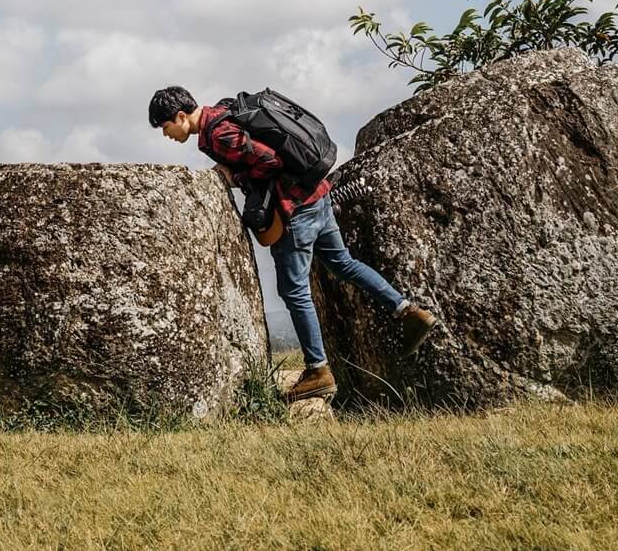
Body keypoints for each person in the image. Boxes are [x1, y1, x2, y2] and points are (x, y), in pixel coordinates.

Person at [148, 85, 438, 402]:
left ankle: (318, 371)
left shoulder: (217, 134)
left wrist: (236, 178)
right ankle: (407, 311)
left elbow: (269, 161)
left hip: (295, 209)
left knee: (294, 290)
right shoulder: (225, 109)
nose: (167, 135)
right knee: (344, 263)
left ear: (180, 116)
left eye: (166, 128)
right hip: (317, 195)